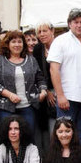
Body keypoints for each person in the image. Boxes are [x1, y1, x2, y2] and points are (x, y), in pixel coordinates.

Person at [47, 8, 81, 146]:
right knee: (64, 135)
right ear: (69, 24)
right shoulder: (60, 41)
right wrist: (60, 95)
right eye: (75, 22)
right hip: (67, 98)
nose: (79, 25)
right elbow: (54, 69)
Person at [0, 30, 47, 133]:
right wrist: (9, 95)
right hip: (6, 108)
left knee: (28, 138)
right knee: (8, 139)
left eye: (19, 42)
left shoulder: (31, 60)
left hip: (28, 106)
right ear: (8, 44)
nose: (17, 45)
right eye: (13, 42)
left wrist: (43, 91)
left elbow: (40, 78)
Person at [33, 21, 57, 153]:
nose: (41, 34)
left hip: (64, 90)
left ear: (52, 31)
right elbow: (39, 73)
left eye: (44, 31)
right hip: (47, 92)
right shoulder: (38, 49)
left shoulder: (60, 45)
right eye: (39, 32)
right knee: (51, 128)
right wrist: (46, 90)